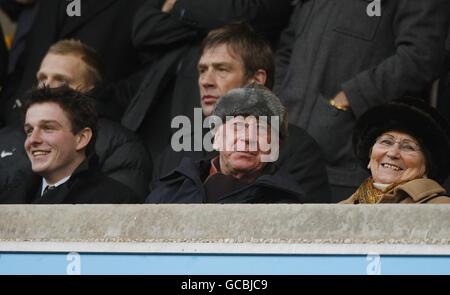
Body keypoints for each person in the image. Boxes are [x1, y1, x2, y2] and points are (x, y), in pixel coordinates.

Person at [274, 0, 450, 202]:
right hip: (287, 149)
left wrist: (348, 99)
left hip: (345, 160)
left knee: (339, 231)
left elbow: (421, 56)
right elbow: (287, 47)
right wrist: (281, 99)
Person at [153, 23, 331, 202]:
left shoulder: (298, 149)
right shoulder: (177, 151)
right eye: (202, 70)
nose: (206, 81)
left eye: (222, 69)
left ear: (257, 80)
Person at [123, 0, 293, 156]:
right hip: (150, 109)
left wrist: (177, 5)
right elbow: (144, 28)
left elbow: (243, 15)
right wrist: (207, 18)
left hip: (203, 121)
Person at [0, 39, 152, 197]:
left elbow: (119, 210)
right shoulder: (6, 136)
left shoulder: (121, 147)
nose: (48, 86)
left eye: (62, 80)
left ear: (90, 89)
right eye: (43, 78)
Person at [147, 84, 313, 204]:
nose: (247, 138)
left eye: (261, 129)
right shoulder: (168, 194)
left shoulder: (290, 209)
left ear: (277, 146)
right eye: (237, 127)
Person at [0, 86, 141, 204]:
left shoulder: (116, 202)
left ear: (81, 138)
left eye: (48, 128)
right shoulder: (9, 195)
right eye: (29, 131)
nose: (32, 140)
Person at [342, 98, 450, 204]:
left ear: (427, 167)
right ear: (370, 156)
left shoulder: (442, 208)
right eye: (386, 142)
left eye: (408, 147)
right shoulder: (339, 210)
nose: (392, 153)